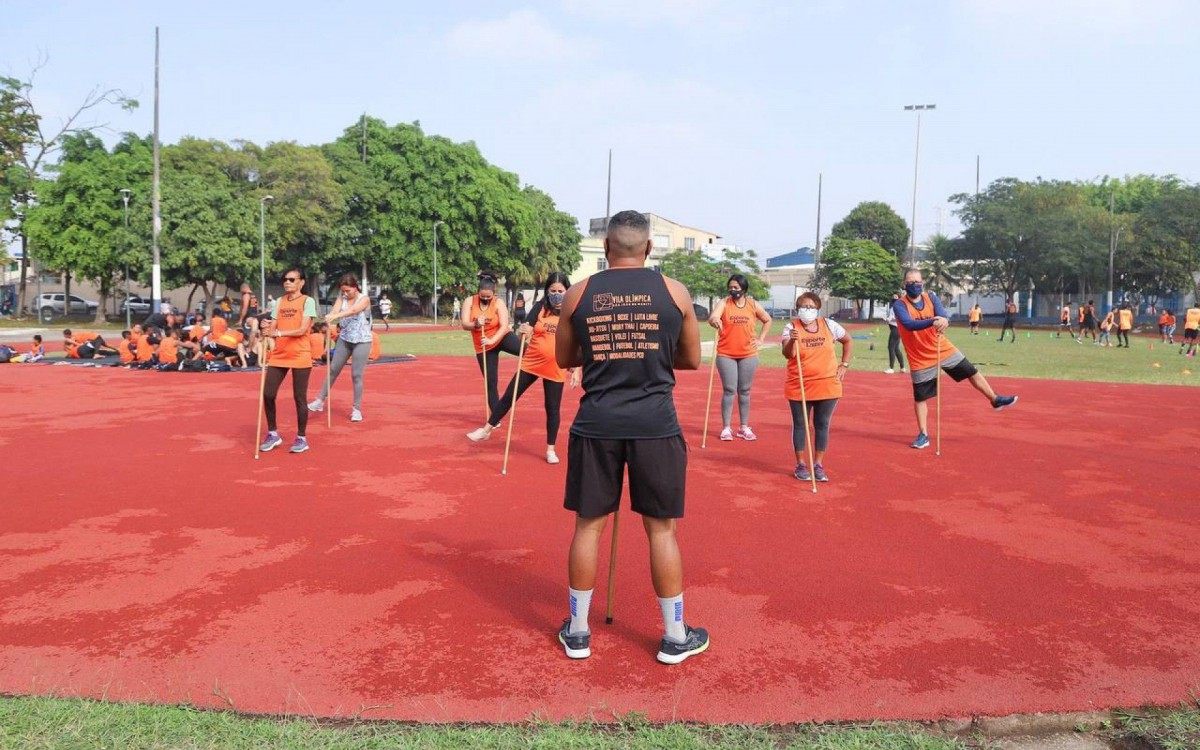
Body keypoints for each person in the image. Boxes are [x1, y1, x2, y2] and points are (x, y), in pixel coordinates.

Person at [553, 210, 707, 665]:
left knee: (588, 525)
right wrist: (647, 356)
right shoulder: (674, 292)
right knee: (661, 530)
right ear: (649, 249)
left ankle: (578, 632)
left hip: (597, 422)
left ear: (606, 249)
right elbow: (691, 359)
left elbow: (566, 357)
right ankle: (675, 636)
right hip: (655, 425)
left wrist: (607, 352)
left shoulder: (578, 294)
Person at [893, 269, 1018, 449]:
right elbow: (908, 324)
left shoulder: (931, 297)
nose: (915, 285)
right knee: (921, 397)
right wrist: (932, 321)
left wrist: (943, 320)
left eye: (918, 281)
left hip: (941, 347)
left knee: (971, 371)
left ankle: (995, 399)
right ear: (905, 285)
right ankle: (923, 434)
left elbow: (943, 315)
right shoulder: (900, 305)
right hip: (919, 356)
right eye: (911, 282)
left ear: (922, 283)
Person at [466, 273, 581, 464]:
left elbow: (576, 342)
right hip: (532, 361)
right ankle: (486, 430)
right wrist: (524, 332)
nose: (556, 294)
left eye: (560, 291)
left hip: (555, 366)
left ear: (567, 290)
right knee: (510, 395)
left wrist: (576, 367)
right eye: (552, 291)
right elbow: (525, 328)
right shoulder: (540, 307)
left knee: (552, 408)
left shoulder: (572, 311)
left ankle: (550, 449)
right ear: (547, 291)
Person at [781, 292, 852, 482]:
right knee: (800, 424)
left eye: (812, 307)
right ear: (798, 308)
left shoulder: (829, 325)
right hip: (800, 385)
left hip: (827, 384)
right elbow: (788, 354)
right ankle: (801, 464)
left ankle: (818, 464)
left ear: (818, 308)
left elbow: (848, 340)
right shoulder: (790, 327)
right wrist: (793, 340)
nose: (808, 310)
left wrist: (844, 364)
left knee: (822, 424)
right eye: (804, 306)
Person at [707, 274, 772, 440]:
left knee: (744, 391)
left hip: (748, 354)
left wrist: (761, 339)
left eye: (736, 287)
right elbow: (714, 316)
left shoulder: (752, 304)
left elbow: (767, 320)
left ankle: (744, 427)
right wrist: (714, 320)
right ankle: (726, 428)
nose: (732, 290)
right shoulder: (724, 302)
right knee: (729, 390)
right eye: (731, 287)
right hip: (726, 353)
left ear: (743, 288)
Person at [259, 269, 317, 454]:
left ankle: (301, 438)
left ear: (301, 282)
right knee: (268, 394)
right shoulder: (279, 302)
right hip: (280, 354)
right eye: (284, 279)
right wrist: (266, 327)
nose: (287, 282)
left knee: (299, 397)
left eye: (292, 279)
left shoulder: (308, 301)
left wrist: (278, 333)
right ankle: (273, 433)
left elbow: (302, 329)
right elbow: (273, 326)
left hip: (300, 354)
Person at [308, 273, 373, 422]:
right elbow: (335, 311)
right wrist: (330, 316)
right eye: (343, 291)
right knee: (333, 369)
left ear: (355, 288)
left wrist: (336, 316)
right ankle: (319, 401)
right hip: (344, 339)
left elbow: (353, 311)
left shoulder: (364, 299)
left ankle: (356, 409)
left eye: (347, 291)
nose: (345, 294)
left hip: (362, 341)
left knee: (356, 375)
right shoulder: (342, 298)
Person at [460, 272, 522, 414]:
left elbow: (504, 326)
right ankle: (496, 415)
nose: (486, 299)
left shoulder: (498, 303)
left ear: (494, 294)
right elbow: (464, 324)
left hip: (501, 337)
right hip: (483, 345)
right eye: (483, 297)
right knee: (491, 382)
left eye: (489, 297)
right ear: (478, 292)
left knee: (527, 351)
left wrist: (492, 340)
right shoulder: (469, 301)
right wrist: (475, 324)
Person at [882, 294, 906, 373]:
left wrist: (888, 319)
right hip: (897, 329)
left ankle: (891, 368)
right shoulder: (898, 307)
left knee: (890, 347)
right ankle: (902, 367)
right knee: (896, 348)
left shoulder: (896, 308)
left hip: (895, 329)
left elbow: (896, 318)